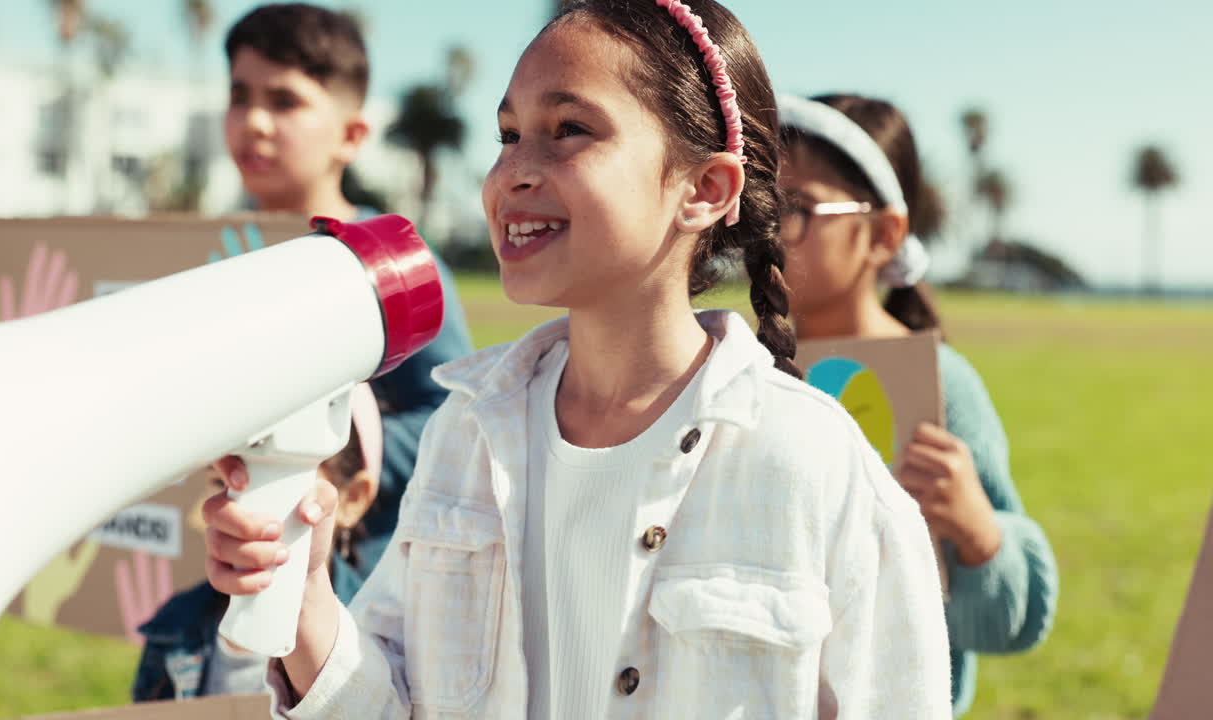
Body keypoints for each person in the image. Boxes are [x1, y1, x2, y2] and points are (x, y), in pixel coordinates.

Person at [204, 2, 953, 717]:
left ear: (705, 187)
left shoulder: (816, 466)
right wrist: (304, 601)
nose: (514, 172)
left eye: (568, 129)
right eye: (506, 134)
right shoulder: (464, 437)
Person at [778, 92, 1058, 717]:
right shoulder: (738, 369)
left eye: (797, 208)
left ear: (883, 234)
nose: (770, 232)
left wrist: (980, 532)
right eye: (760, 205)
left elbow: (1009, 625)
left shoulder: (946, 388)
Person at [219, 3, 473, 556]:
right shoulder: (213, 257)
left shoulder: (394, 263)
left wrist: (332, 458)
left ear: (352, 135)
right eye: (240, 95)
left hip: (350, 576)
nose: (254, 120)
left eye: (284, 100)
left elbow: (451, 415)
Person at [133, 386, 383, 700]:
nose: (245, 513)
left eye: (280, 484)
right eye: (223, 484)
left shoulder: (383, 638)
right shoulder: (175, 625)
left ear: (353, 498)